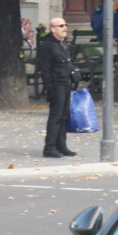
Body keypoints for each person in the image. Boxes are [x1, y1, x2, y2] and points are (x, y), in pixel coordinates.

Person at [41, 16, 78, 159]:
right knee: (55, 116)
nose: (64, 28)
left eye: (65, 25)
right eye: (61, 26)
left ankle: (61, 145)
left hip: (65, 82)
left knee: (64, 116)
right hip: (56, 84)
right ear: (53, 29)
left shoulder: (62, 43)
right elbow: (45, 69)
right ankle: (49, 147)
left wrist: (74, 72)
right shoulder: (47, 45)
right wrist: (49, 89)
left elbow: (67, 62)